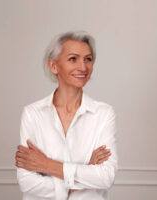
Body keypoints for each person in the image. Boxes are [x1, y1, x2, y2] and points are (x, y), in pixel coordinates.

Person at [15, 31, 118, 200]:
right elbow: (26, 181)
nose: (83, 67)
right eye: (73, 59)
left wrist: (47, 165)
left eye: (88, 59)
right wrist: (85, 171)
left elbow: (106, 177)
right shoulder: (32, 113)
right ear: (54, 66)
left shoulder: (103, 114)